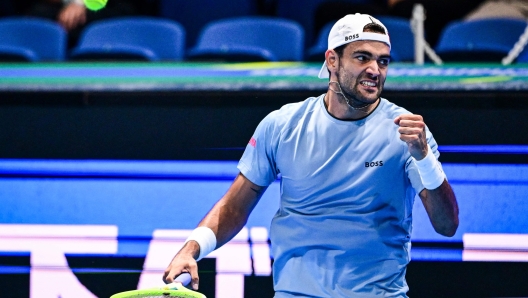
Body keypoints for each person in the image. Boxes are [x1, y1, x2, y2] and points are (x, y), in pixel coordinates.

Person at [163, 13, 459, 297]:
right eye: (362, 57)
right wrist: (191, 248)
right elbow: (234, 207)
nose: (375, 70)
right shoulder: (282, 125)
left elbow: (447, 226)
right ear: (332, 60)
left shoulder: (408, 132)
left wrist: (424, 158)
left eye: (383, 61)